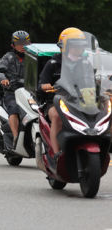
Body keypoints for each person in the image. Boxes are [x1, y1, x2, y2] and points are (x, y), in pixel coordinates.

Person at [39, 27, 86, 156]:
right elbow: (41, 84)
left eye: (80, 46)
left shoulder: (85, 64)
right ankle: (56, 154)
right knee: (57, 117)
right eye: (75, 46)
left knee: (102, 113)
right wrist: (45, 86)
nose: (78, 49)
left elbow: (93, 82)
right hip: (56, 101)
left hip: (79, 101)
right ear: (64, 46)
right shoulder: (52, 63)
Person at [0, 30, 31, 148]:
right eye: (19, 44)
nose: (22, 46)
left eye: (25, 43)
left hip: (30, 92)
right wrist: (3, 79)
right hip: (12, 92)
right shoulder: (8, 57)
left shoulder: (33, 58)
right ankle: (16, 138)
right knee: (14, 110)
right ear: (13, 45)